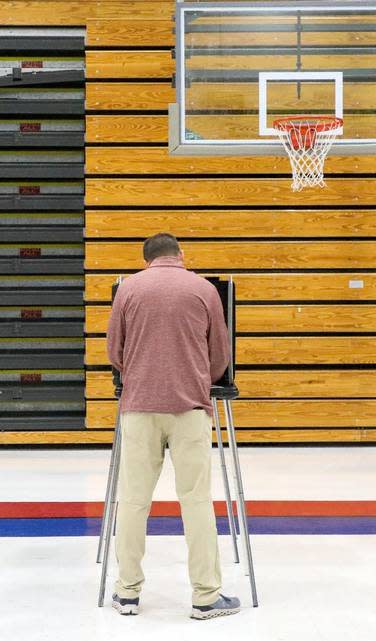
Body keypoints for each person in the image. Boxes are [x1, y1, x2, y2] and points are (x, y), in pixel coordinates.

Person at [105, 233, 240, 619]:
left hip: (139, 408)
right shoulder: (202, 289)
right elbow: (219, 355)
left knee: (133, 501)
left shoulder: (128, 290)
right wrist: (196, 377)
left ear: (146, 259)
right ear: (180, 255)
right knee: (195, 500)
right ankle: (206, 596)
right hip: (189, 410)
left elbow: (114, 351)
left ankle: (127, 592)